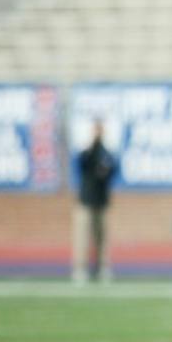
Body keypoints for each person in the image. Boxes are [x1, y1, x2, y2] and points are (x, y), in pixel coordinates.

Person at [71, 120, 117, 284]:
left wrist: (105, 170)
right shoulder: (87, 150)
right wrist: (91, 145)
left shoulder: (107, 153)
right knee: (82, 237)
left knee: (102, 237)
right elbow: (82, 163)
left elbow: (113, 170)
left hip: (101, 200)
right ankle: (80, 268)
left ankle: (102, 267)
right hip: (86, 200)